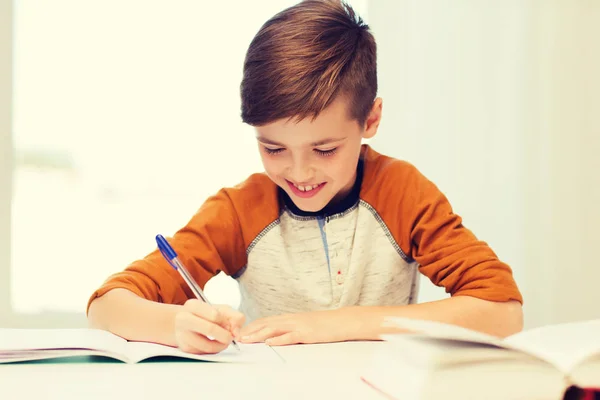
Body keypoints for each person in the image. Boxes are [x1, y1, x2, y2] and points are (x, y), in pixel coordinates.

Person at [87, 0, 523, 355]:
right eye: (273, 149)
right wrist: (173, 323)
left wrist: (338, 325)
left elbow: (502, 312)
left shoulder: (402, 193)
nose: (298, 173)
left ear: (370, 119)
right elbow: (107, 306)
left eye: (325, 149)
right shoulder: (240, 210)